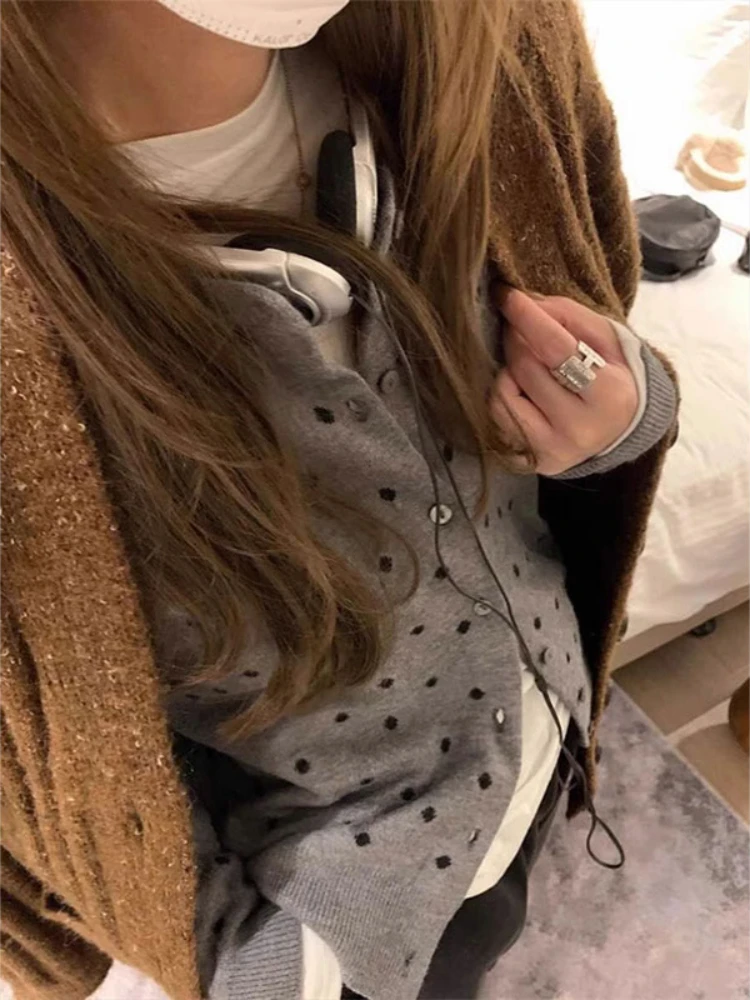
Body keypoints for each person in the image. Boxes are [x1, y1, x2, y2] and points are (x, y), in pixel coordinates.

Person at [0, 2, 678, 999]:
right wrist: (267, 966)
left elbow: (595, 300)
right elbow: (39, 753)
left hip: (547, 732)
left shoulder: (502, 37)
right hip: (340, 910)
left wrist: (619, 406)